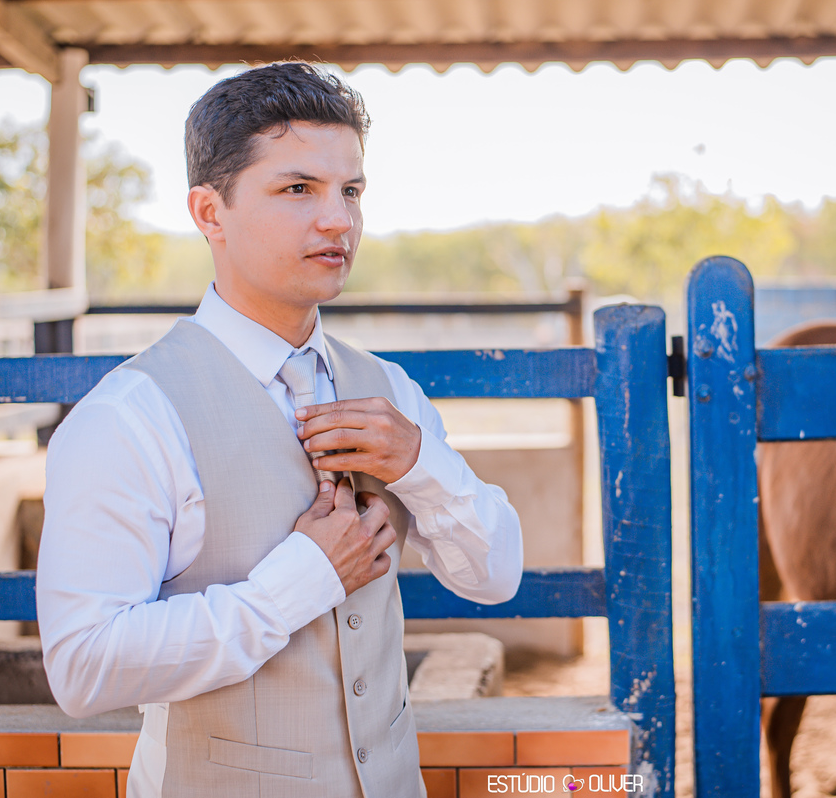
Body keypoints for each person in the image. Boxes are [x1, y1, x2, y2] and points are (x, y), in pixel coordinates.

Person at [35, 62, 523, 798]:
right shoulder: (129, 417)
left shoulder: (390, 390)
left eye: (351, 190)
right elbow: (84, 666)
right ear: (209, 212)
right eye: (298, 189)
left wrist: (421, 465)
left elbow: (495, 577)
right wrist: (300, 582)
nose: (339, 220)